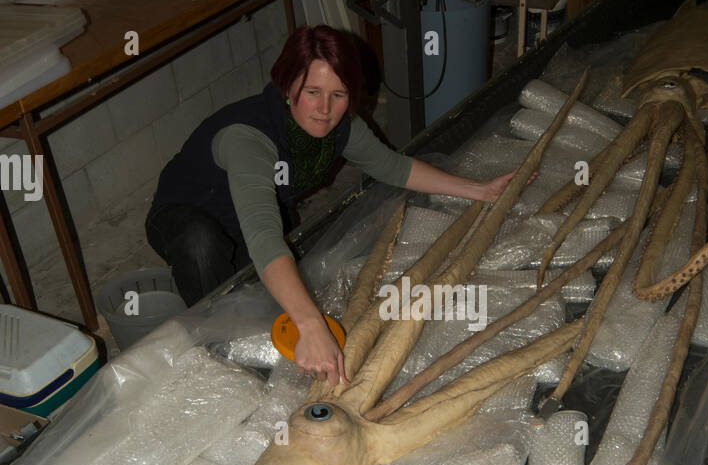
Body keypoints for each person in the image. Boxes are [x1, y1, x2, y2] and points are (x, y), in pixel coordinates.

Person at [146, 25, 519, 387]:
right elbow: (263, 235)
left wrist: (480, 189)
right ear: (287, 85)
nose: (325, 109)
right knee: (206, 253)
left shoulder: (342, 127)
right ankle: (212, 355)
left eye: (339, 95)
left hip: (251, 220)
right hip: (190, 216)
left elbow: (392, 167)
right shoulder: (249, 138)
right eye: (312, 92)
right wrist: (311, 325)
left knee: (274, 303)